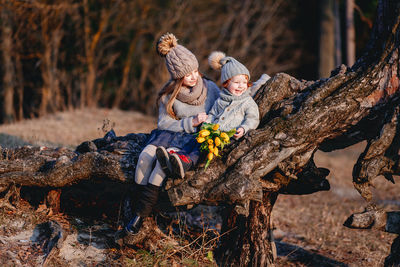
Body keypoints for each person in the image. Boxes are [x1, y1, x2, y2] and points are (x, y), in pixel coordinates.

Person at [118, 33, 220, 240]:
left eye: (194, 71)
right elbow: (163, 123)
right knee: (144, 162)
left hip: (189, 141)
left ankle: (138, 218)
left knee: (159, 168)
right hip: (167, 134)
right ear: (177, 76)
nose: (193, 76)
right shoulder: (169, 93)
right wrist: (189, 122)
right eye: (186, 74)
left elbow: (223, 109)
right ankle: (136, 208)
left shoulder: (212, 89)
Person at [158, 51, 260, 179]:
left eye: (244, 82)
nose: (241, 86)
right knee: (196, 142)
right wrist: (206, 125)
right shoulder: (221, 99)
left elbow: (253, 118)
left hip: (228, 137)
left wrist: (244, 128)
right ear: (226, 84)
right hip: (213, 134)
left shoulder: (247, 102)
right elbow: (212, 114)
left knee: (201, 150)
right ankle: (178, 157)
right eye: (237, 83)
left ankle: (186, 163)